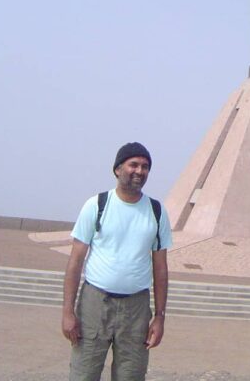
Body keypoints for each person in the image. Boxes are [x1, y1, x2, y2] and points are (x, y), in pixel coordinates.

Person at [62, 142, 172, 381]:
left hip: (136, 308)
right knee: (84, 374)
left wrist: (160, 316)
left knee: (131, 375)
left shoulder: (156, 211)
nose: (139, 171)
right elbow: (75, 262)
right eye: (133, 164)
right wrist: (68, 312)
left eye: (145, 166)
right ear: (117, 169)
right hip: (95, 304)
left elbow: (160, 269)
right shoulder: (97, 205)